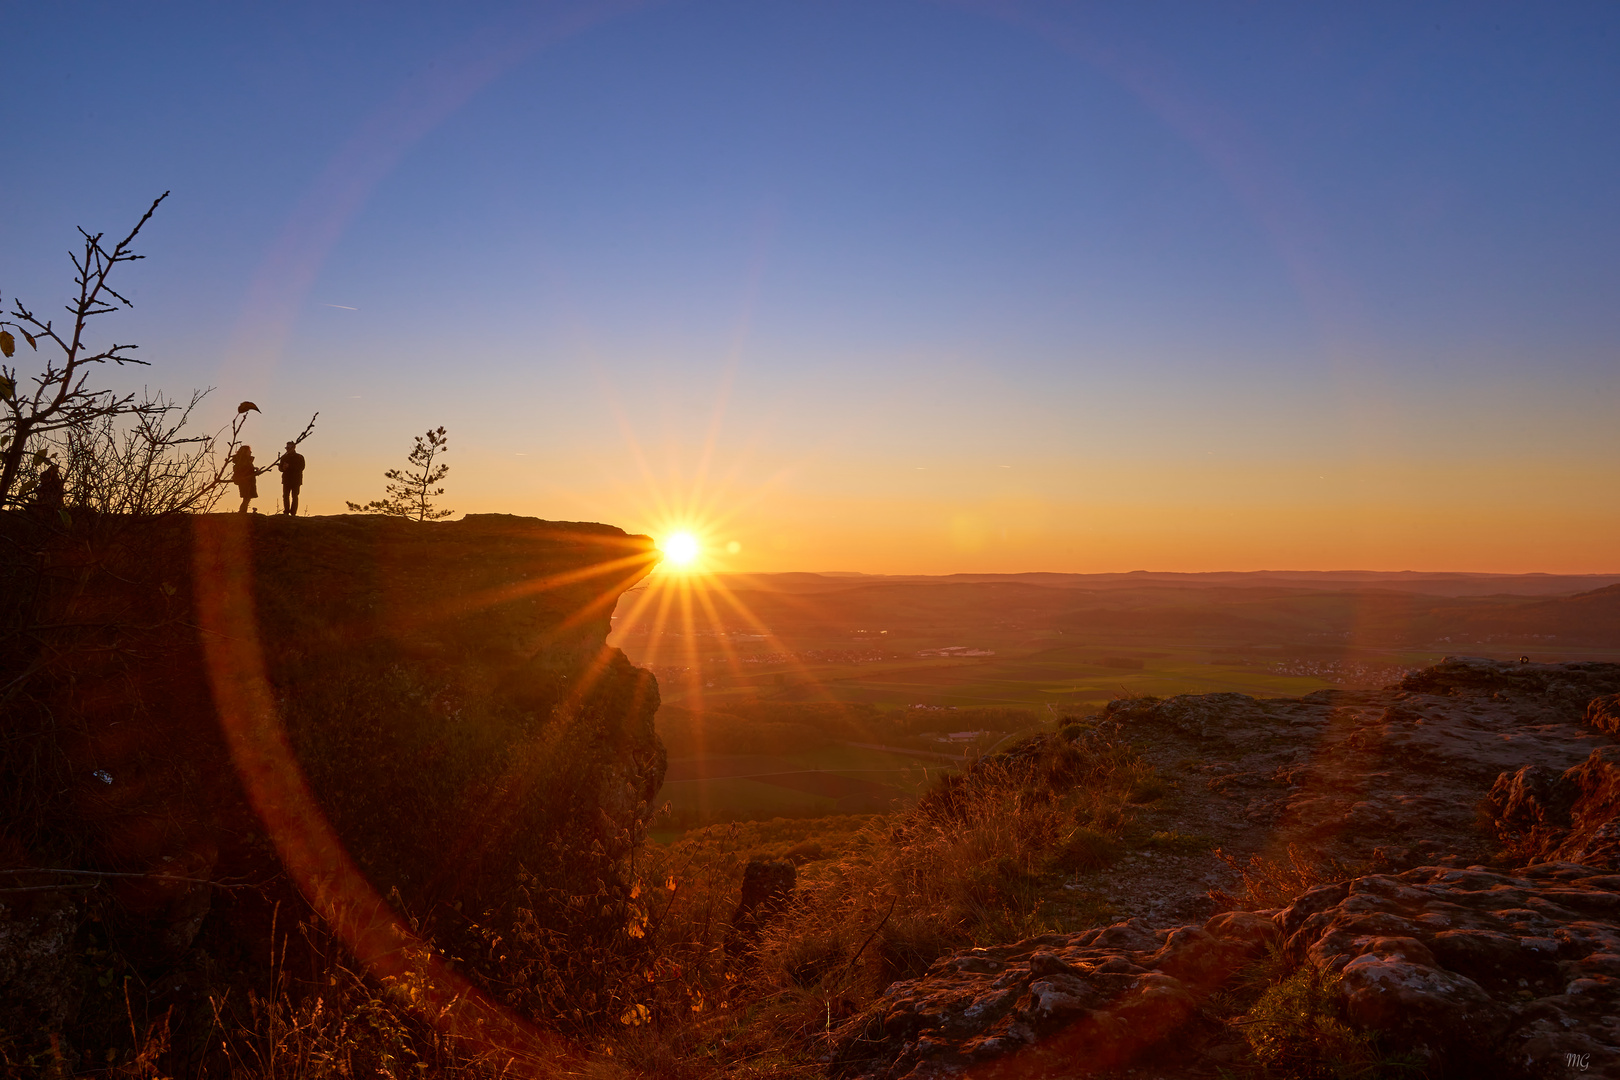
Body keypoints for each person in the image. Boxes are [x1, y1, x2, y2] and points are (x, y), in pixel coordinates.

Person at [277, 440, 306, 516]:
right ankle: (286, 511)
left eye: (289, 447)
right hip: (286, 480)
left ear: (294, 447)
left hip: (296, 480)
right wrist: (283, 468)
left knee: (295, 496)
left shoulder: (299, 457)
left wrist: (289, 466)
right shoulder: (284, 457)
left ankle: (293, 513)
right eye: (286, 447)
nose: (287, 449)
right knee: (285, 496)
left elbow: (301, 467)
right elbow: (280, 468)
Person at [231, 445, 257, 513]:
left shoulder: (244, 460)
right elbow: (244, 469)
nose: (250, 452)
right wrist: (253, 470)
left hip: (247, 480)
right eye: (249, 451)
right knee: (246, 496)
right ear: (245, 451)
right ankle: (242, 512)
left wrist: (254, 470)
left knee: (247, 497)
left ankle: (243, 511)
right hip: (245, 480)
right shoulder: (243, 460)